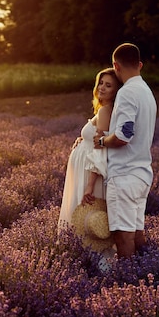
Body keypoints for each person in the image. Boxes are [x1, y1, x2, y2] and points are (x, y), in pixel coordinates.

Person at [93, 43, 157, 259]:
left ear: (115, 65)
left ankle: (128, 282)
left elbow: (123, 136)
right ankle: (145, 276)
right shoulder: (147, 91)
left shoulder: (128, 92)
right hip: (141, 174)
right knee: (137, 234)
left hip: (125, 176)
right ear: (140, 64)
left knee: (123, 237)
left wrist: (102, 141)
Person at [58, 68, 121, 238]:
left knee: (84, 218)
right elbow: (94, 140)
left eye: (108, 85)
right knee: (82, 219)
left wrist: (90, 185)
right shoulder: (104, 110)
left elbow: (100, 150)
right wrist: (82, 139)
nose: (102, 87)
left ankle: (85, 257)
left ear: (116, 91)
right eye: (101, 83)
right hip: (84, 170)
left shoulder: (105, 111)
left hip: (88, 173)